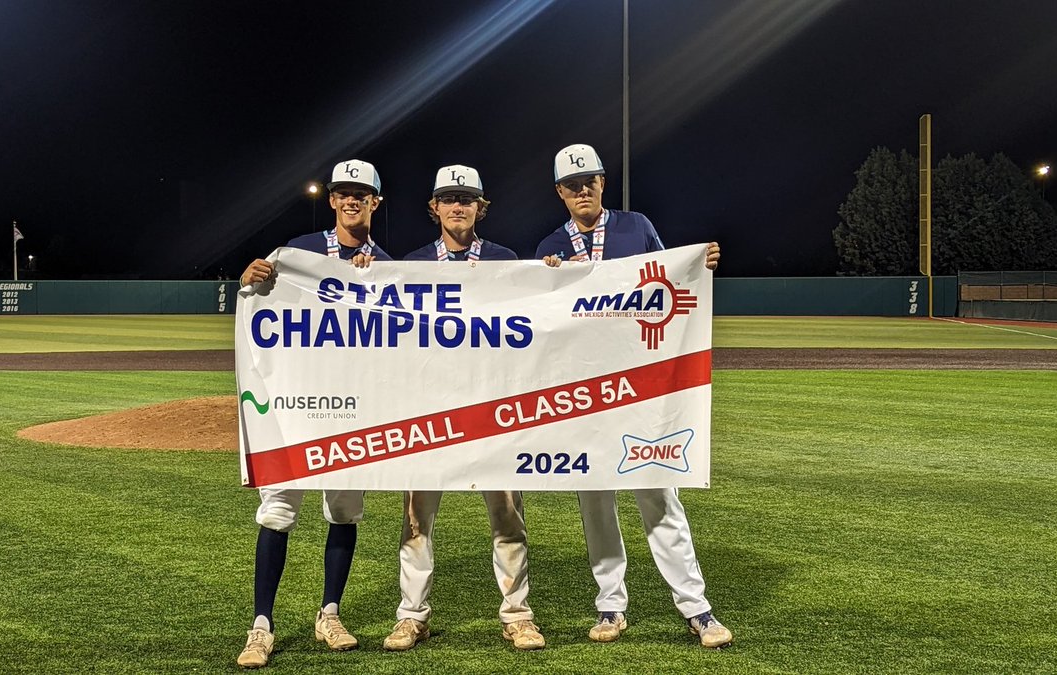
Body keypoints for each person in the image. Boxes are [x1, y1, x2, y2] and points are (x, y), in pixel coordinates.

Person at [535, 144, 732, 649]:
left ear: (603, 183)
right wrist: (547, 279)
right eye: (572, 185)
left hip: (641, 388)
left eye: (591, 181)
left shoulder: (635, 226)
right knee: (595, 501)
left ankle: (697, 608)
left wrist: (700, 262)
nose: (583, 190)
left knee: (660, 494)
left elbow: (672, 278)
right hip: (582, 392)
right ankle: (610, 606)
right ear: (559, 192)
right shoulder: (547, 247)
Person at [235, 159, 392, 668]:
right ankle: (262, 626)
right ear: (331, 200)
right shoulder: (296, 253)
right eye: (343, 192)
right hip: (296, 406)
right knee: (278, 511)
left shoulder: (389, 266)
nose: (351, 200)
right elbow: (258, 301)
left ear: (375, 202)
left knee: (343, 512)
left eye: (361, 193)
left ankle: (329, 613)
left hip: (352, 408)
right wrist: (250, 279)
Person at [384, 165, 545, 652]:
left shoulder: (505, 259)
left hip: (492, 410)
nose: (458, 206)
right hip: (429, 410)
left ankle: (517, 615)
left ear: (481, 206)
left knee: (508, 518)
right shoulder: (409, 263)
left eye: (467, 198)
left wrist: (557, 278)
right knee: (415, 523)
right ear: (434, 207)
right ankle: (412, 616)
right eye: (449, 198)